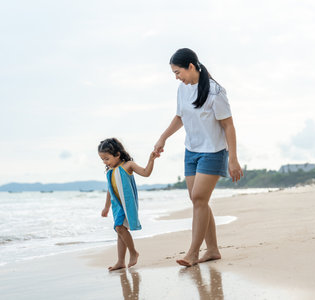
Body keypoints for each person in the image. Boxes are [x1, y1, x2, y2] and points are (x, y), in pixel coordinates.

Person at [154, 48, 243, 267]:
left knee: (199, 200)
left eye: (178, 72)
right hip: (191, 151)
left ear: (191, 66)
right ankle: (212, 250)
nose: (177, 77)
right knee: (198, 200)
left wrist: (233, 158)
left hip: (213, 151)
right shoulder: (182, 89)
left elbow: (228, 125)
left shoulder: (215, 92)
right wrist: (163, 138)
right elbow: (179, 117)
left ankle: (193, 253)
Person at [98, 138, 159, 271]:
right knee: (119, 231)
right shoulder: (110, 171)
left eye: (106, 158)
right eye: (102, 159)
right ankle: (120, 261)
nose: (104, 162)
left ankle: (133, 252)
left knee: (119, 228)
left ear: (117, 154)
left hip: (127, 204)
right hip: (117, 206)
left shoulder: (128, 165)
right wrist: (106, 207)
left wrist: (151, 160)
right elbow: (110, 190)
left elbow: (146, 173)